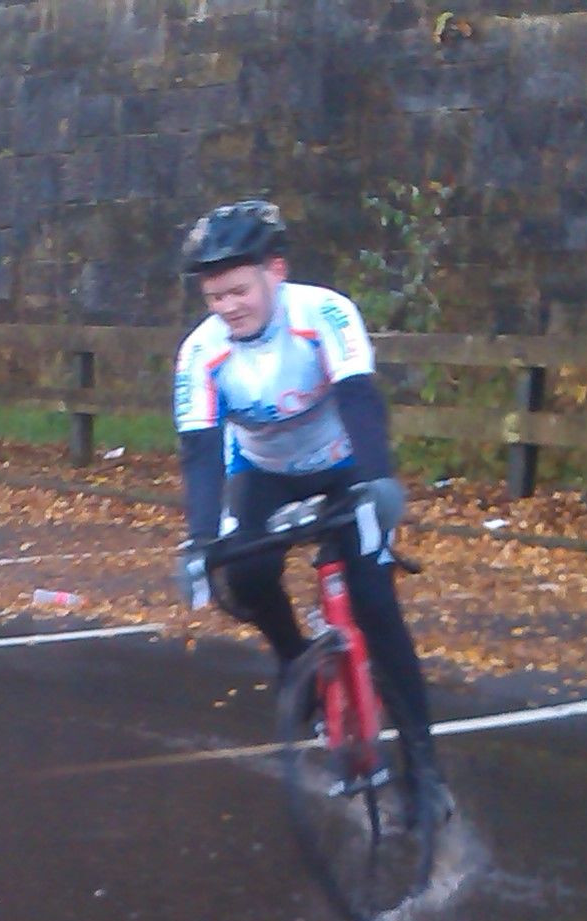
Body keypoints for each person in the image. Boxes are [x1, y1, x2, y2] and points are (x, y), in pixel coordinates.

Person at [170, 200, 450, 825]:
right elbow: (201, 451)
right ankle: (294, 658)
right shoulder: (202, 354)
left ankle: (425, 771)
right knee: (241, 576)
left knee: (375, 606)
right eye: (214, 298)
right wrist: (197, 540)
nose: (227, 308)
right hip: (262, 475)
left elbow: (359, 399)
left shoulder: (323, 312)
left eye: (238, 291)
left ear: (276, 270)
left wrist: (378, 480)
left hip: (345, 464)